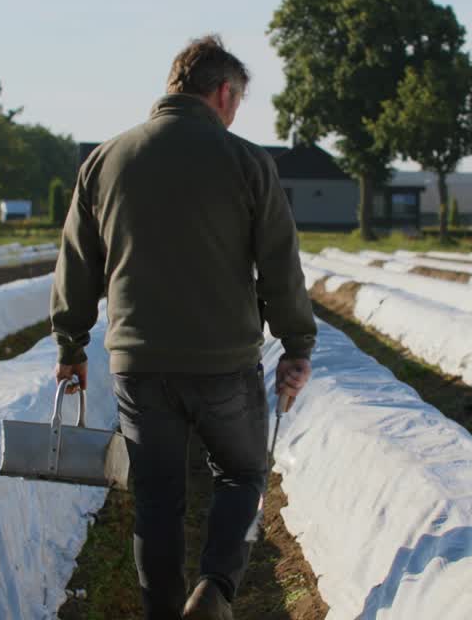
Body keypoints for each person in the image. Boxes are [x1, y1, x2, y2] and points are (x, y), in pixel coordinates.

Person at [49, 34, 317, 620]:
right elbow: (279, 264)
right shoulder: (248, 162)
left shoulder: (105, 160)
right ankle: (215, 589)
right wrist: (297, 343)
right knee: (242, 474)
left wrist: (71, 344)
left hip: (139, 367)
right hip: (223, 362)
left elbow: (76, 262)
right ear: (223, 93)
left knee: (158, 500)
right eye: (239, 99)